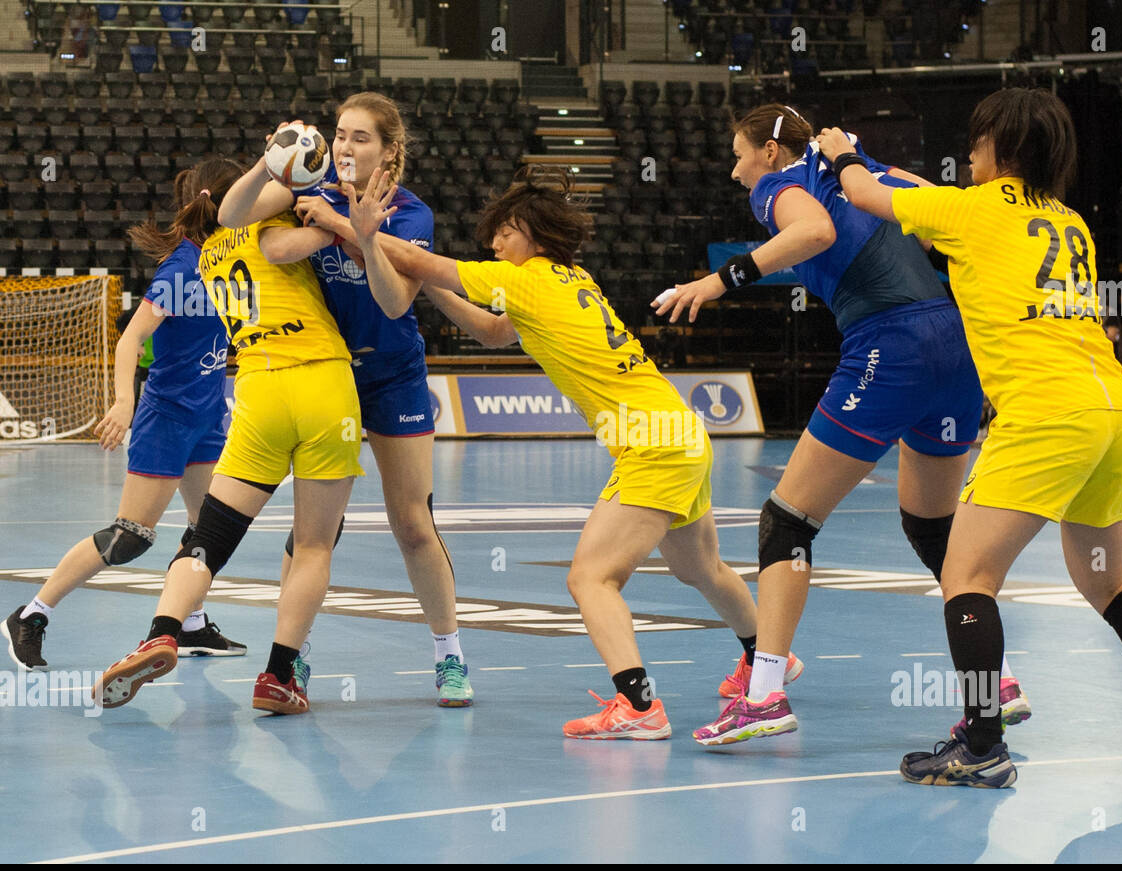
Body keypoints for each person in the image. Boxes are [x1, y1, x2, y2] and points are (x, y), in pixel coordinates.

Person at [818, 86, 1122, 787]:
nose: (969, 156)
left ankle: (982, 745)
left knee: (966, 576)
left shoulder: (972, 210)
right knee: (1109, 581)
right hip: (1112, 414)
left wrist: (842, 154)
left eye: (977, 144)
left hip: (1045, 415)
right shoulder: (1069, 220)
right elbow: (943, 213)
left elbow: (864, 192)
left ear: (1000, 149)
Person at [345, 164, 763, 739]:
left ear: (535, 236)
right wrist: (433, 291)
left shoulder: (528, 278)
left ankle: (639, 708)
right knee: (700, 567)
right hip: (678, 430)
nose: (494, 243)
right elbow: (495, 333)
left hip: (653, 443)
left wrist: (351, 227)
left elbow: (416, 260)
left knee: (590, 579)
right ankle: (764, 660)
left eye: (506, 232)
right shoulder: (570, 277)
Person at [655, 103, 1028, 745]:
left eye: (740, 153)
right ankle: (994, 684)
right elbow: (945, 210)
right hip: (956, 347)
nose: (735, 169)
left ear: (770, 152)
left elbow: (814, 235)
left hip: (892, 343)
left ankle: (764, 696)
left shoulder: (780, 186)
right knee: (933, 528)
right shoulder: (862, 167)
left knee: (788, 520)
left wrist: (720, 280)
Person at [92, 155, 364, 715]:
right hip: (320, 383)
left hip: (257, 394)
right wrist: (335, 222)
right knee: (312, 545)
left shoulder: (209, 253)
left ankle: (161, 632)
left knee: (206, 539)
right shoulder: (269, 225)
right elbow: (287, 246)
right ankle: (279, 677)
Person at [223, 96, 470, 706]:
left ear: (388, 151)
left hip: (392, 374)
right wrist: (268, 165)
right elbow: (232, 217)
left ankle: (450, 656)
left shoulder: (411, 214)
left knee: (413, 523)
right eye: (339, 135)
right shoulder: (314, 188)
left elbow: (393, 302)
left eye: (360, 138)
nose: (344, 147)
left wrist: (346, 231)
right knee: (314, 532)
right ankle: (292, 660)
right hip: (327, 374)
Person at [2, 159, 246, 670]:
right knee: (130, 536)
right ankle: (31, 613)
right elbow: (133, 338)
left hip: (207, 415)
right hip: (168, 417)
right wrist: (122, 401)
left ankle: (193, 624)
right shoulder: (183, 268)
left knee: (208, 533)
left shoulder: (229, 260)